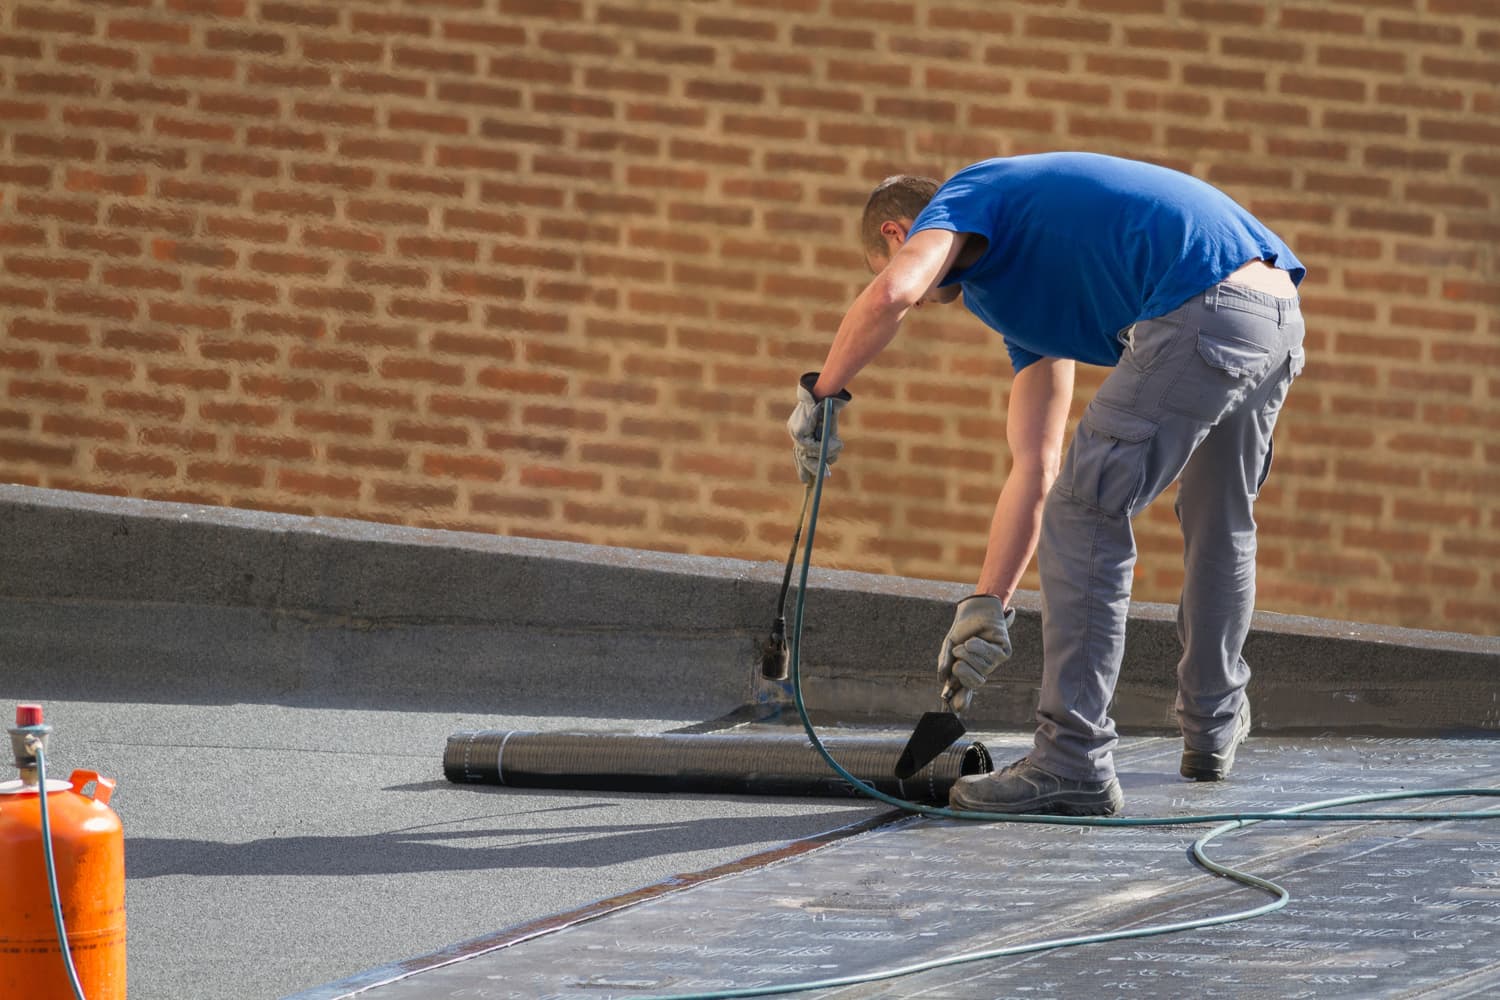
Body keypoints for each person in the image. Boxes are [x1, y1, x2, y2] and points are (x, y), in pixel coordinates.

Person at [786, 151, 1306, 816]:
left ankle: (1072, 761)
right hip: (1274, 307)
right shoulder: (1021, 290)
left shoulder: (965, 195)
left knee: (1089, 512)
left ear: (897, 234)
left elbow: (894, 293)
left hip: (1203, 299)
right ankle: (1213, 726)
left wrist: (822, 394)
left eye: (895, 253)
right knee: (1218, 517)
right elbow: (1037, 463)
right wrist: (988, 606)